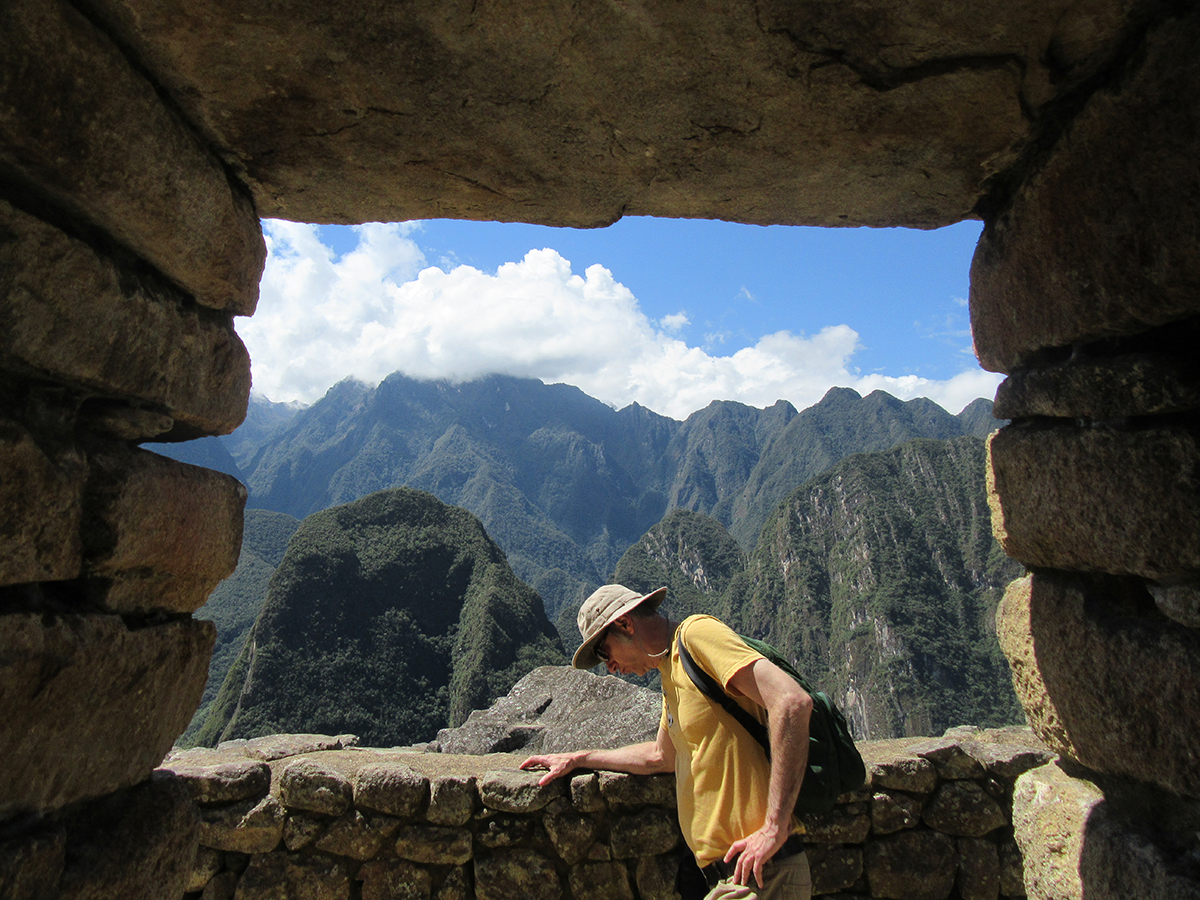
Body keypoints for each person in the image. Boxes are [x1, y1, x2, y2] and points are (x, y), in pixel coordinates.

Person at [520, 584, 814, 900]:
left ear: (625, 624)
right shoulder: (670, 671)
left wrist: (774, 826)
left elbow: (791, 702)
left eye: (605, 653)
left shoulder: (697, 637)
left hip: (763, 874)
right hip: (728, 878)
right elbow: (661, 756)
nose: (611, 667)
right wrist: (578, 758)